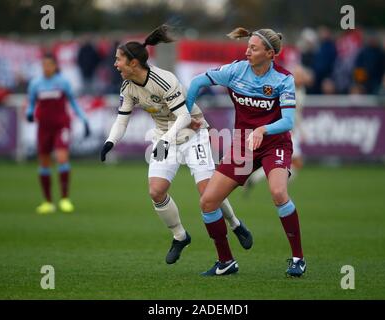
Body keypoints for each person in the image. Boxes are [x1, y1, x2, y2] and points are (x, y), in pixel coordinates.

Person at [100, 25, 252, 265]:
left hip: (193, 133)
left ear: (133, 63)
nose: (115, 64)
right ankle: (180, 236)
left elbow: (184, 118)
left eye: (119, 60)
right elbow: (122, 120)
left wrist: (166, 140)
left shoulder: (164, 79)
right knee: (156, 191)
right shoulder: (128, 87)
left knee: (208, 192)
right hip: (165, 136)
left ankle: (235, 224)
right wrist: (110, 142)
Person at [186, 27, 306, 277]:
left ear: (270, 53)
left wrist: (262, 129)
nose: (247, 50)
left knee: (278, 191)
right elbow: (197, 82)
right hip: (243, 145)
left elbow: (288, 122)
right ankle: (226, 261)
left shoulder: (283, 79)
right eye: (248, 46)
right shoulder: (235, 70)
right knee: (208, 202)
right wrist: (186, 115)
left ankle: (298, 258)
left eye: (253, 47)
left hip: (275, 144)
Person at [26, 53, 91, 214]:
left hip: (61, 126)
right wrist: (29, 112)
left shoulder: (63, 83)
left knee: (62, 158)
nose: (46, 68)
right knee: (44, 162)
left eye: (49, 65)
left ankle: (64, 199)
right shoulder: (35, 84)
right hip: (44, 127)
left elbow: (73, 102)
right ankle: (47, 202)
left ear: (55, 66)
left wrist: (84, 119)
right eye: (43, 65)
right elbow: (31, 103)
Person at [243, 64, 311, 191]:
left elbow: (297, 115)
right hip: (286, 130)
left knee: (288, 163)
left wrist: (302, 130)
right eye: (299, 75)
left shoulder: (301, 90)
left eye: (301, 75)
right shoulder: (287, 89)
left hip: (292, 129)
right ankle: (275, 185)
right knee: (295, 163)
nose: (301, 78)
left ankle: (264, 180)